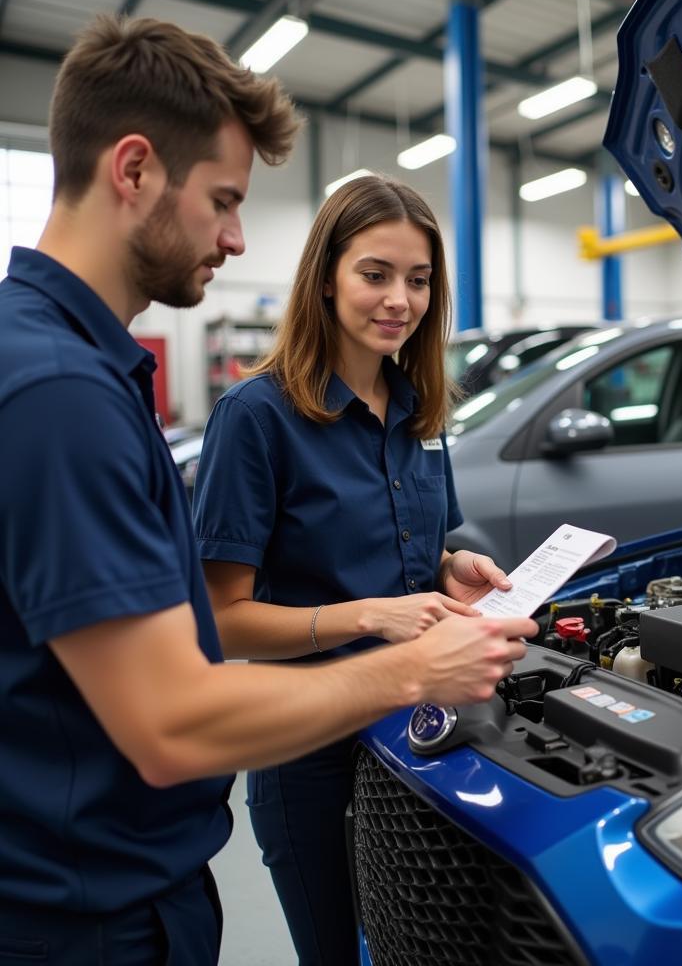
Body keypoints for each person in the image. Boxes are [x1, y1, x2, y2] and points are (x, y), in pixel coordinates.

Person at [0, 16, 536, 965]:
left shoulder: (85, 372)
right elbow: (174, 712)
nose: (238, 238)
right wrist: (407, 656)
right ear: (133, 170)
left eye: (417, 280)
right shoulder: (63, 393)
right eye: (223, 201)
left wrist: (446, 574)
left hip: (136, 870)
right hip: (85, 906)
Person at [192, 173, 514, 964]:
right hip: (310, 750)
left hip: (420, 733)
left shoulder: (419, 410)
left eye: (418, 280)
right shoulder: (257, 417)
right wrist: (372, 614)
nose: (399, 299)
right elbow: (223, 619)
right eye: (375, 274)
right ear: (326, 277)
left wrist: (450, 567)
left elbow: (414, 550)